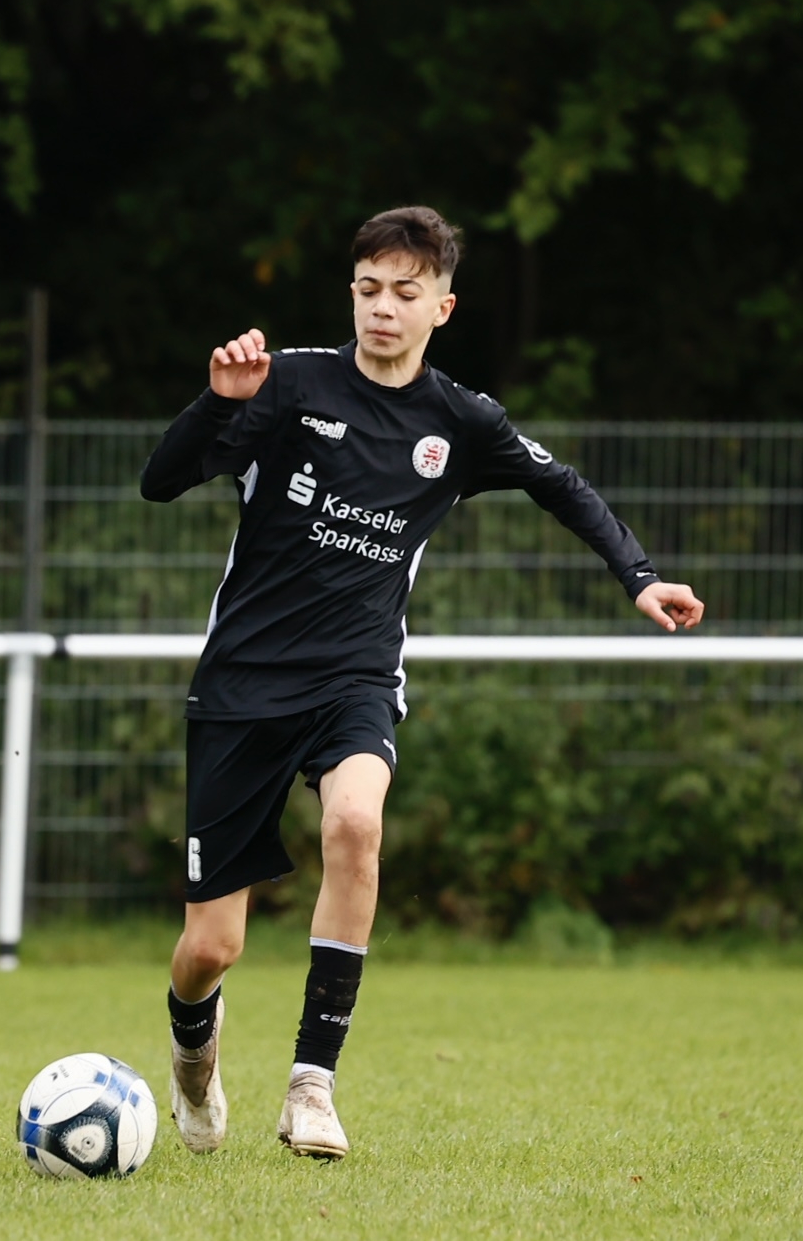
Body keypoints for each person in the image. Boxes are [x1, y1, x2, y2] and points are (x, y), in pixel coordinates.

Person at [140, 205, 703, 1161]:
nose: (382, 308)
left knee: (357, 825)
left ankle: (312, 1085)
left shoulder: (461, 421)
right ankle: (194, 1053)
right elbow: (160, 482)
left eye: (405, 292)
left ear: (442, 307)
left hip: (355, 678)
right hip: (241, 686)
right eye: (368, 289)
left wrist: (639, 576)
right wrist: (219, 403)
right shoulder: (289, 384)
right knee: (210, 951)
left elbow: (561, 485)